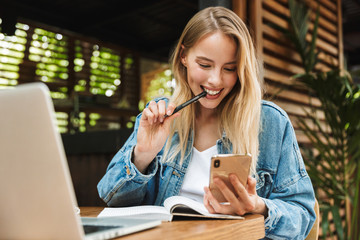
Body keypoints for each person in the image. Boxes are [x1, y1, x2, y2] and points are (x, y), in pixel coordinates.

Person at [97, 6, 316, 239]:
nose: (215, 80)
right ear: (184, 56)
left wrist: (257, 206)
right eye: (204, 65)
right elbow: (111, 198)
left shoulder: (271, 122)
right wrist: (143, 154)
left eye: (229, 69)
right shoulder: (158, 117)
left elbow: (303, 216)